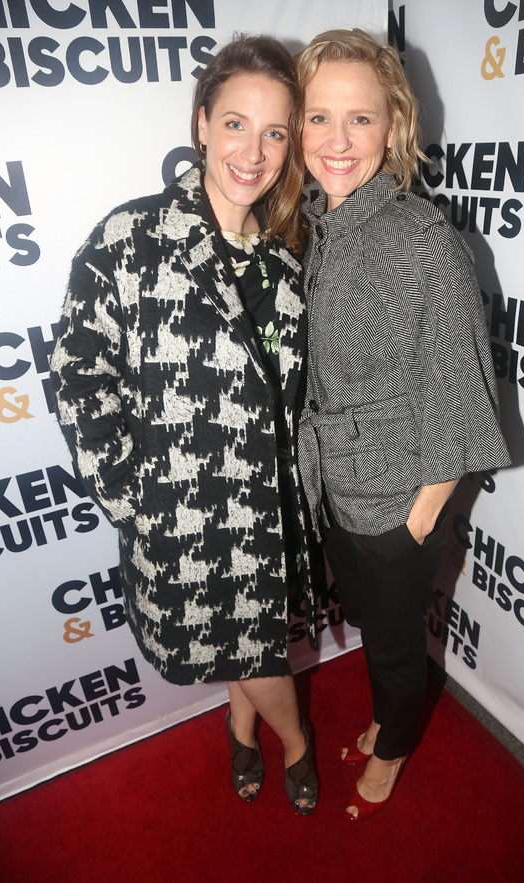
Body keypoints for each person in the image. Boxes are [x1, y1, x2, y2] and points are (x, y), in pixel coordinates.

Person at [50, 35, 319, 815]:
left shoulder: (289, 254)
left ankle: (243, 732)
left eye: (275, 132)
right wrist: (135, 499)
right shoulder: (128, 242)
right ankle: (296, 742)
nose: (254, 151)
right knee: (244, 646)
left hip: (266, 517)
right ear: (201, 123)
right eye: (236, 123)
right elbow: (78, 374)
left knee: (252, 643)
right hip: (182, 515)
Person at [295, 29, 511, 821]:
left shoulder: (423, 241)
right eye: (320, 118)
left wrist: (416, 522)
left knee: (392, 647)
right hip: (337, 492)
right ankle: (391, 716)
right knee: (367, 632)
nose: (337, 141)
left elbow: (461, 396)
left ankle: (392, 746)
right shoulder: (321, 221)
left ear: (394, 124)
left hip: (395, 509)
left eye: (361, 118)